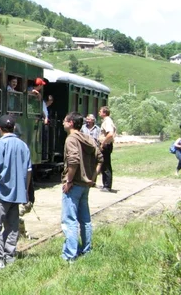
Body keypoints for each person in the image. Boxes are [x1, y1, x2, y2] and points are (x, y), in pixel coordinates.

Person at [0, 114, 32, 269]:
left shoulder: (0, 144)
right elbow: (29, 171)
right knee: (12, 225)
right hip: (17, 193)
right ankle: (9, 256)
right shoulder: (23, 145)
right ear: (14, 128)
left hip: (2, 191)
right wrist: (25, 190)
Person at [61, 112, 103, 262]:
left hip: (75, 185)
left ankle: (70, 255)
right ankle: (86, 250)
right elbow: (100, 159)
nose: (63, 123)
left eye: (65, 120)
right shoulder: (89, 138)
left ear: (71, 123)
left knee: (69, 220)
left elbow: (73, 161)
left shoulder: (71, 139)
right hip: (85, 185)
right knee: (85, 219)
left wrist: (69, 180)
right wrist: (92, 178)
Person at [98, 106, 116, 192]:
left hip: (106, 145)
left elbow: (110, 134)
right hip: (107, 144)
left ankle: (107, 186)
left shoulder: (107, 121)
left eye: (100, 111)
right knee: (104, 164)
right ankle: (105, 184)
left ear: (104, 113)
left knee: (106, 165)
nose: (99, 112)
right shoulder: (107, 121)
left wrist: (103, 143)